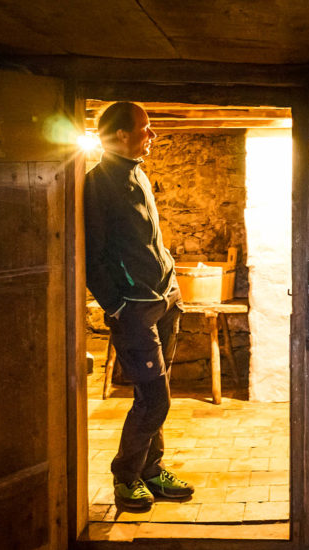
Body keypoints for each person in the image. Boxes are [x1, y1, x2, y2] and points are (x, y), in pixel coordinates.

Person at [84, 101, 194, 511]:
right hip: (134, 309)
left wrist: (170, 280)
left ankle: (151, 470)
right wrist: (116, 306)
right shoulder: (98, 183)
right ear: (121, 135)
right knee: (156, 399)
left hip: (166, 299)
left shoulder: (138, 173)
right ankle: (126, 476)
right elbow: (92, 255)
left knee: (154, 397)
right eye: (145, 129)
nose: (152, 135)